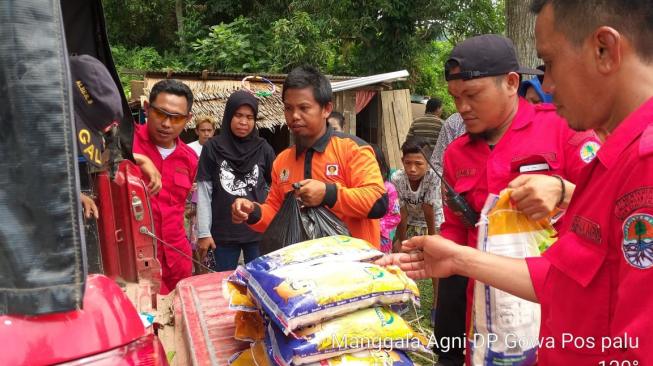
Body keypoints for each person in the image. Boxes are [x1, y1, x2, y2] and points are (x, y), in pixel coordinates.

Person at [379, 0, 653, 363]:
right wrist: (458, 259)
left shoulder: (632, 164)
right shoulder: (613, 160)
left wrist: (560, 190)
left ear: (604, 50)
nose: (547, 83)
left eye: (550, 64)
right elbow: (563, 278)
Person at [427, 34, 600, 366]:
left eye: (472, 95)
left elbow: (610, 206)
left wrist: (564, 192)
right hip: (487, 315)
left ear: (510, 83)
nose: (461, 108)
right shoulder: (456, 155)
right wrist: (428, 252)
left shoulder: (563, 129)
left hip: (557, 309)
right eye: (455, 97)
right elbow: (457, 231)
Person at [231, 66, 387, 248]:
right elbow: (276, 213)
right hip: (302, 268)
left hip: (353, 269)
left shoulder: (353, 149)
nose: (294, 116)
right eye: (288, 108)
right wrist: (253, 211)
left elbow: (378, 202)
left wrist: (329, 194)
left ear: (326, 109)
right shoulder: (283, 160)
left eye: (304, 108)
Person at [196, 90, 275, 270]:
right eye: (238, 115)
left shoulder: (263, 148)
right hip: (223, 233)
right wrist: (203, 233)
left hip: (258, 230)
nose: (243, 122)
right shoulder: (212, 148)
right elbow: (204, 192)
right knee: (223, 285)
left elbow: (276, 187)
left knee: (260, 283)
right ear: (229, 115)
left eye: (249, 117)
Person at [133, 79, 198, 294]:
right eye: (160, 114)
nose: (167, 124)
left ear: (187, 119)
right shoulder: (126, 141)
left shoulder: (189, 159)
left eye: (176, 118)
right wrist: (139, 159)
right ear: (146, 109)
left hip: (177, 258)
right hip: (136, 261)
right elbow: (97, 159)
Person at [392, 136, 441, 327]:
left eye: (418, 163)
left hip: (434, 221)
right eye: (408, 163)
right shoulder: (397, 178)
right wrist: (402, 242)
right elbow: (401, 212)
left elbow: (429, 210)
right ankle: (402, 299)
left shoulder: (434, 178)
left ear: (427, 164)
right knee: (399, 257)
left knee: (436, 261)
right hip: (410, 219)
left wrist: (433, 240)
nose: (412, 169)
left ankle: (437, 305)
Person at [371, 144, 401, 254]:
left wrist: (375, 226)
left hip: (381, 240)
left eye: (372, 164)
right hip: (357, 237)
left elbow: (394, 216)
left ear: (381, 166)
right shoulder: (353, 187)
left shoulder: (388, 188)